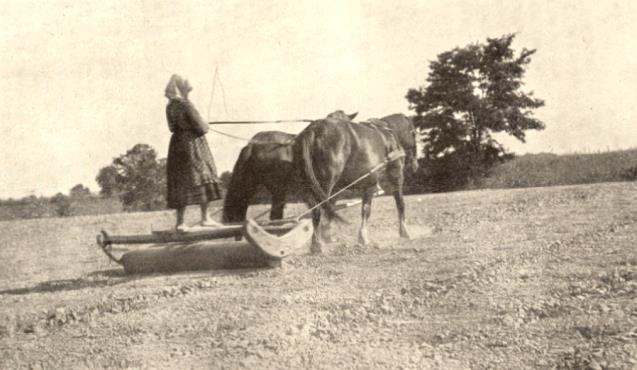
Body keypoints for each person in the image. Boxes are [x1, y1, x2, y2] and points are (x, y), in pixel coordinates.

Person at [164, 74, 222, 231]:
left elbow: (171, 127)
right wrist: (206, 125)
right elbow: (202, 128)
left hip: (176, 146)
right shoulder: (186, 105)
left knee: (180, 182)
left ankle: (180, 223)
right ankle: (205, 218)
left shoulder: (170, 107)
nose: (188, 93)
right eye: (187, 90)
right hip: (192, 145)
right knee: (203, 175)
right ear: (182, 90)